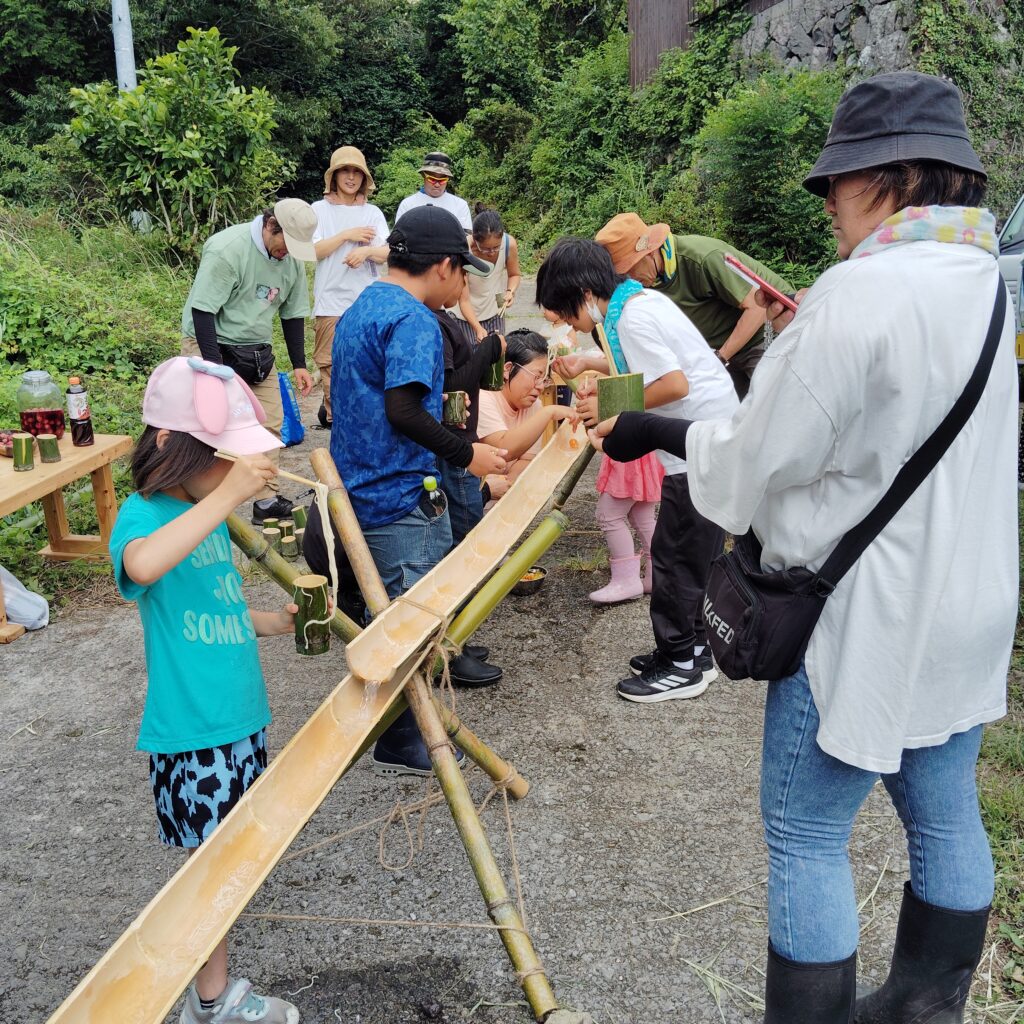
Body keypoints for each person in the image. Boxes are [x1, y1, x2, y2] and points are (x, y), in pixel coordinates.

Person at [588, 71, 1016, 1022]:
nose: (827, 201)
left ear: (893, 177)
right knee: (945, 811)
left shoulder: (856, 295)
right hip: (969, 603)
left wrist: (650, 431)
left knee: (807, 832)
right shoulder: (985, 282)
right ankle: (926, 1010)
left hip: (866, 614)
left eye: (837, 180)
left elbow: (748, 467)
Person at [110, 356, 305, 1024]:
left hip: (241, 719)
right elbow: (142, 566)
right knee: (209, 874)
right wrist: (225, 497)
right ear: (169, 444)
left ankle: (213, 995)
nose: (232, 474)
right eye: (221, 459)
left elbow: (220, 609)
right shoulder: (143, 516)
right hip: (195, 734)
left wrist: (275, 622)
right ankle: (213, 1001)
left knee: (231, 863)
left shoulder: (205, 513)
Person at [306, 205, 508, 769]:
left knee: (388, 618)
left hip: (357, 489)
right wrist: (469, 454)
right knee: (411, 620)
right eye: (462, 272)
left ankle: (399, 729)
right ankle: (402, 736)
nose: (463, 285)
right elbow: (404, 410)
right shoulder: (414, 320)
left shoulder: (362, 306)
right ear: (442, 266)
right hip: (400, 496)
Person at [539, 240, 738, 702]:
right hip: (707, 440)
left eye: (568, 313)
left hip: (698, 446)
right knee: (692, 557)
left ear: (585, 293)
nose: (571, 324)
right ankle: (695, 652)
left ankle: (678, 665)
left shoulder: (632, 318)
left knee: (674, 557)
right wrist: (602, 385)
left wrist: (612, 410)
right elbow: (647, 373)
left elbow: (673, 384)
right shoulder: (636, 303)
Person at [181, 199, 316, 524]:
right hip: (209, 342)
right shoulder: (228, 249)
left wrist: (299, 363)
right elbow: (203, 310)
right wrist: (214, 370)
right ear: (271, 226)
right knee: (210, 424)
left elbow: (293, 313)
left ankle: (265, 499)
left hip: (255, 348)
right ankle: (198, 497)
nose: (288, 253)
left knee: (270, 423)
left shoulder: (291, 261)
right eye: (287, 243)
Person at [595, 213, 794, 398]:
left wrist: (720, 358)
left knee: (772, 405)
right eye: (622, 274)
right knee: (732, 412)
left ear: (650, 252)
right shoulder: (650, 280)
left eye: (630, 268)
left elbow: (757, 308)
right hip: (725, 349)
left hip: (768, 332)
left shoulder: (702, 257)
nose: (629, 278)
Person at [311, 146, 390, 428]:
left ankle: (367, 426)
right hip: (330, 303)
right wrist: (347, 235)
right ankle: (338, 425)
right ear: (333, 176)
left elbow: (388, 252)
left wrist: (366, 251)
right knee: (331, 368)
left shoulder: (372, 212)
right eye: (344, 170)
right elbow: (314, 251)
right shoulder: (318, 210)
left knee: (368, 365)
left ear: (364, 177)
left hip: (367, 304)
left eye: (357, 172)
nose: (351, 177)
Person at [476, 329, 575, 498]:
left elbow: (526, 459)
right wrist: (548, 412)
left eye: (544, 379)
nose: (540, 386)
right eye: (536, 376)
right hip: (478, 500)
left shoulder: (534, 405)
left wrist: (509, 488)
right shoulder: (483, 398)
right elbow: (504, 448)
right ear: (507, 369)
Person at [588, 442, 664, 605]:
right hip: (648, 452)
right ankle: (658, 576)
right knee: (642, 517)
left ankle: (626, 581)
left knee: (609, 515)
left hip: (628, 454)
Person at [452, 206, 522, 344]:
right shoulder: (462, 250)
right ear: (474, 239)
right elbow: (464, 300)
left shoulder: (509, 244)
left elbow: (514, 275)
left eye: (496, 247)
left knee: (498, 352)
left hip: (496, 311)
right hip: (465, 316)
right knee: (472, 354)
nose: (491, 252)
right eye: (485, 249)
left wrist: (510, 292)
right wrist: (478, 328)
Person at [395, 152, 472, 232]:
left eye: (442, 180)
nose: (437, 185)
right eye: (432, 179)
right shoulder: (408, 204)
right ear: (423, 175)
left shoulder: (460, 205)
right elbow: (398, 236)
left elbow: (467, 237)